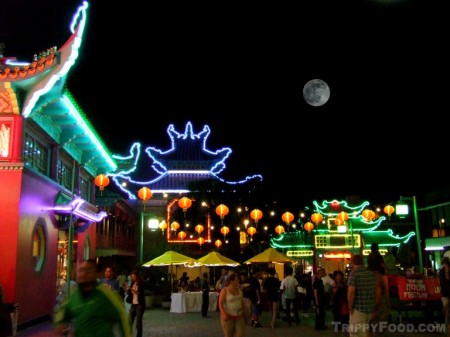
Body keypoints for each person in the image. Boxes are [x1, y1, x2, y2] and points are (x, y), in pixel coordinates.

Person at [53, 259, 131, 337]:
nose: (84, 273)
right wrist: (59, 323)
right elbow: (62, 311)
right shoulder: (74, 295)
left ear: (95, 274)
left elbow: (123, 318)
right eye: (81, 270)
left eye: (88, 270)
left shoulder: (106, 295)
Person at [347, 254, 376, 337]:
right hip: (369, 309)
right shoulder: (370, 274)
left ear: (352, 262)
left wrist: (350, 307)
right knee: (364, 331)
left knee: (355, 333)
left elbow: (351, 292)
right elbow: (375, 291)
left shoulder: (354, 274)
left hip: (358, 309)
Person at [218, 272, 247, 337]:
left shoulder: (239, 290)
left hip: (239, 316)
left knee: (241, 334)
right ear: (231, 281)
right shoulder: (225, 291)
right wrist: (223, 313)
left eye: (238, 280)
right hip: (228, 317)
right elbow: (220, 303)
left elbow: (241, 301)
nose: (238, 281)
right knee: (228, 335)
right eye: (236, 280)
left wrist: (245, 311)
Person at [126, 269, 146, 337]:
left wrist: (135, 291)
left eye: (134, 276)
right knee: (129, 321)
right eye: (132, 276)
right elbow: (130, 293)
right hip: (133, 304)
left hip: (140, 305)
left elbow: (142, 294)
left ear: (137, 276)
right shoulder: (132, 283)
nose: (132, 278)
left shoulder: (142, 283)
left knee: (138, 323)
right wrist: (127, 290)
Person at [440, 258, 450, 336]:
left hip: (446, 292)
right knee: (448, 311)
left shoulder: (443, 271)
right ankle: (447, 330)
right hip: (445, 293)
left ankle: (447, 330)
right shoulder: (442, 271)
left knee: (447, 311)